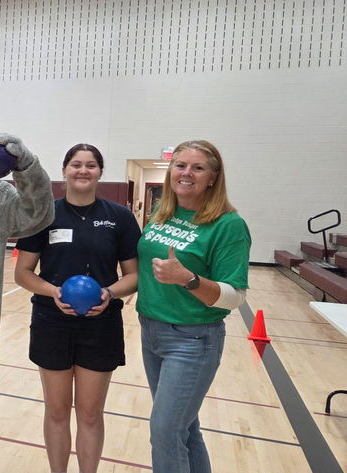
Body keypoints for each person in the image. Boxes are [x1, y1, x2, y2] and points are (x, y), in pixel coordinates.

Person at [14, 144, 139, 473]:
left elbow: (135, 276)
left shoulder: (120, 218)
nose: (83, 170)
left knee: (89, 413)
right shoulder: (44, 216)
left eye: (91, 165)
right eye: (76, 164)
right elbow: (23, 273)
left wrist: (108, 294)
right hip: (51, 323)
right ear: (65, 170)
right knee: (56, 411)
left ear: (100, 171)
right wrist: (54, 291)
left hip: (101, 326)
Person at [137, 140, 250, 472]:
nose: (186, 173)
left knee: (165, 430)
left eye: (197, 167)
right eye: (180, 165)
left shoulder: (228, 225)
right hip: (151, 332)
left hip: (192, 340)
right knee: (185, 429)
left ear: (213, 177)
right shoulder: (162, 215)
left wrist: (188, 279)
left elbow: (235, 296)